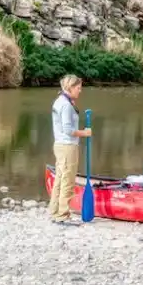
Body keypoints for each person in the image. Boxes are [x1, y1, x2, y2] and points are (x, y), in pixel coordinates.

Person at [49, 74, 92, 225]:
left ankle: (55, 211)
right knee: (67, 180)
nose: (80, 91)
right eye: (78, 88)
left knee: (60, 179)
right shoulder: (66, 105)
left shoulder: (60, 101)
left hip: (60, 145)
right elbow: (68, 130)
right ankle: (63, 214)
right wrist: (85, 133)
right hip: (67, 146)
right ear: (71, 87)